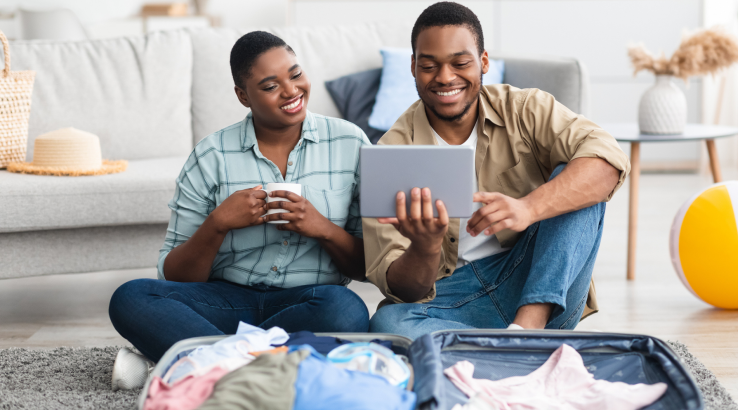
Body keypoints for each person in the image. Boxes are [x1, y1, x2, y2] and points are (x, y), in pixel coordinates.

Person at [108, 31, 371, 389]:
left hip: (308, 301)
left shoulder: (350, 142)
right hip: (223, 300)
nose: (292, 91)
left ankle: (197, 363)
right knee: (131, 297)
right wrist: (218, 224)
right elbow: (175, 275)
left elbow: (365, 266)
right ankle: (258, 369)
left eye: (295, 74)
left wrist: (321, 227)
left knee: (346, 310)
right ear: (243, 95)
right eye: (270, 85)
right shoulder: (211, 155)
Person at [365, 2, 630, 339]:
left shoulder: (525, 108)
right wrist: (425, 247)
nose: (445, 77)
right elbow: (402, 289)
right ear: (414, 67)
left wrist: (529, 207)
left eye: (460, 63)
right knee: (388, 324)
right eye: (430, 66)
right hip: (452, 296)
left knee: (579, 175)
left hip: (537, 283)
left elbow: (608, 159)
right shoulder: (391, 154)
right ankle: (513, 346)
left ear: (484, 62)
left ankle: (526, 330)